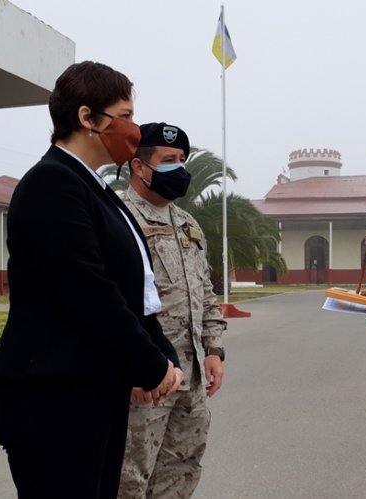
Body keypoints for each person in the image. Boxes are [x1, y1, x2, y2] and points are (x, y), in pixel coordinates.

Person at [0, 61, 184, 499]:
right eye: (125, 115)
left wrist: (157, 355)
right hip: (52, 394)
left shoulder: (92, 187)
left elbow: (133, 287)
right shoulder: (51, 183)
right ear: (87, 118)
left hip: (90, 387)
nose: (133, 128)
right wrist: (149, 365)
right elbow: (87, 290)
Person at [119, 123, 228, 498]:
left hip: (191, 377)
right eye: (168, 160)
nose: (179, 168)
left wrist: (213, 349)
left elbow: (205, 291)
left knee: (181, 470)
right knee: (129, 478)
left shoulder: (186, 223)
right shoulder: (119, 219)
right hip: (147, 377)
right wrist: (131, 367)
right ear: (139, 166)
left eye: (182, 159)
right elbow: (111, 304)